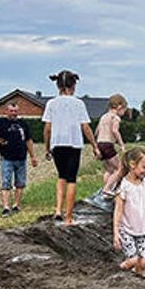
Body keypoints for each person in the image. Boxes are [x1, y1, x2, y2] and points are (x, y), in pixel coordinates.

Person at [42, 70, 98, 225]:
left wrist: (47, 148)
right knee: (71, 180)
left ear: (58, 86)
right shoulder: (79, 104)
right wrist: (94, 146)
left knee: (61, 177)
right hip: (74, 145)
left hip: (57, 145)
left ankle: (58, 210)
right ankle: (68, 218)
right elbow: (86, 127)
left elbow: (47, 128)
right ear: (73, 86)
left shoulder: (51, 104)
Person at [112, 146, 145, 275]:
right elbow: (118, 211)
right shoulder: (124, 186)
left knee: (142, 263)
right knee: (133, 260)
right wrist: (116, 232)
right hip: (126, 230)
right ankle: (117, 272)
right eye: (144, 167)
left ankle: (137, 284)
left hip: (142, 230)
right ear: (132, 164)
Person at [0, 101, 38, 216]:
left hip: (21, 158)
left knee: (20, 183)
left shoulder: (23, 124)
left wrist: (33, 156)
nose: (13, 113)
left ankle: (16, 205)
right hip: (6, 158)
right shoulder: (0, 123)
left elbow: (28, 140)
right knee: (6, 182)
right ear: (6, 111)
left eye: (15, 111)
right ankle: (6, 207)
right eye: (11, 111)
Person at [96, 94, 128, 196]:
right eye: (124, 110)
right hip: (108, 144)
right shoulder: (115, 117)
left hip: (100, 143)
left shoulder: (103, 116)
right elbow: (115, 131)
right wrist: (121, 144)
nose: (123, 113)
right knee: (119, 168)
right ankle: (107, 188)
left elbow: (97, 131)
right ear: (119, 106)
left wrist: (95, 146)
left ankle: (106, 190)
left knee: (109, 170)